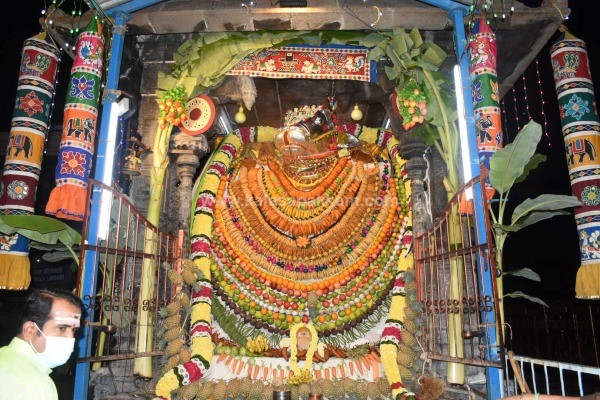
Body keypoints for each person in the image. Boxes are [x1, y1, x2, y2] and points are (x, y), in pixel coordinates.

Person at [0, 288, 84, 400]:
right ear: (30, 330)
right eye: (62, 328)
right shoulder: (36, 385)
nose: (71, 338)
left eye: (74, 330)